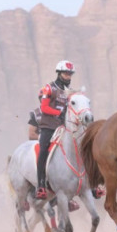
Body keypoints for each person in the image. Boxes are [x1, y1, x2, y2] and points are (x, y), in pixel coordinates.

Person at [35, 61, 74, 200]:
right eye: (66, 73)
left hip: (64, 127)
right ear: (59, 73)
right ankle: (40, 184)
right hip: (49, 127)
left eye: (70, 74)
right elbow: (44, 108)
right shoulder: (49, 88)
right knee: (44, 149)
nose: (68, 76)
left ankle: (89, 185)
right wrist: (59, 113)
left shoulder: (70, 91)